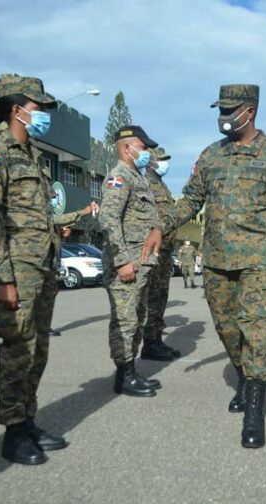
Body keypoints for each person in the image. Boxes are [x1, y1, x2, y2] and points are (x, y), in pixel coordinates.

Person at [151, 84, 266, 448]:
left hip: (262, 261)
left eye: (230, 110)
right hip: (218, 261)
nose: (223, 117)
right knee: (228, 330)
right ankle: (243, 376)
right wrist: (163, 226)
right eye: (220, 110)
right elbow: (190, 199)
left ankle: (255, 408)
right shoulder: (210, 156)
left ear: (250, 111)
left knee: (255, 330)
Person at [0, 74, 67, 465]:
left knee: (37, 350)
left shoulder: (34, 157)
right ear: (17, 110)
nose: (43, 114)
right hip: (16, 272)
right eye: (38, 107)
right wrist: (4, 278)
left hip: (42, 269)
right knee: (17, 351)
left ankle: (28, 420)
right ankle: (12, 433)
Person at [98, 125, 163, 396]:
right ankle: (124, 374)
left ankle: (131, 371)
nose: (147, 152)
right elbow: (108, 219)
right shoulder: (120, 177)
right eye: (143, 147)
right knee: (125, 321)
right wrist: (122, 260)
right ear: (127, 148)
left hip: (141, 265)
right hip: (127, 266)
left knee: (137, 318)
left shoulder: (138, 177)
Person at [142, 147, 182, 360]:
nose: (165, 163)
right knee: (153, 297)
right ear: (151, 162)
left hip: (165, 250)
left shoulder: (161, 184)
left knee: (161, 296)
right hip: (154, 250)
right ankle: (149, 342)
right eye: (161, 160)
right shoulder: (145, 182)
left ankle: (155, 339)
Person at [49, 204, 99, 337]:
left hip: (50, 265)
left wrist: (61, 234)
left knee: (49, 295)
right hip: (39, 264)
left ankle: (43, 326)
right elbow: (59, 219)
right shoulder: (38, 213)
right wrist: (84, 211)